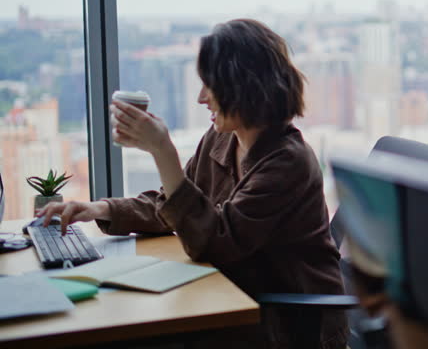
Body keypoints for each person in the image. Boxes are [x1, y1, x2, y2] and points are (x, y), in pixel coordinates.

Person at [39, 19, 347, 348]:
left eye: (209, 86)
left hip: (288, 323)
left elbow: (212, 242)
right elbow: (176, 204)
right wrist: (98, 208)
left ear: (242, 87)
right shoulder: (221, 139)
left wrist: (162, 151)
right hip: (235, 294)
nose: (201, 98)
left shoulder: (288, 163)